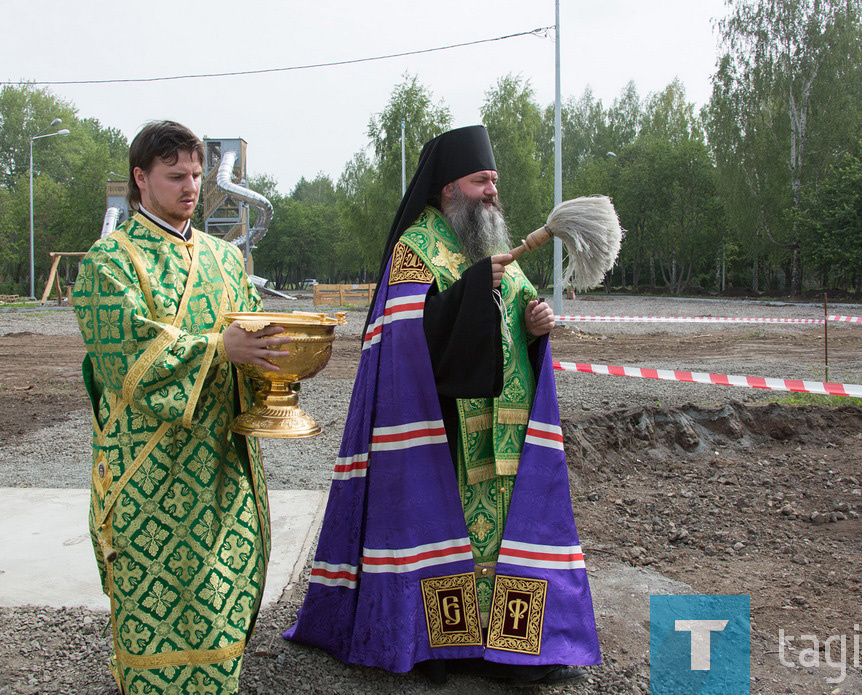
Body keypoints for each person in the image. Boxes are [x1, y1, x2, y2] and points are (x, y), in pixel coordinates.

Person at [285, 125, 600, 685]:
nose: (492, 192)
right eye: (482, 181)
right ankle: (441, 645)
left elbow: (519, 313)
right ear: (449, 188)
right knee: (444, 532)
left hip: (504, 427)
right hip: (442, 430)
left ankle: (515, 646)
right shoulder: (417, 248)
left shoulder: (489, 244)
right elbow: (406, 335)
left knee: (508, 533)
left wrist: (535, 326)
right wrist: (473, 290)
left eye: (495, 182)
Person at [72, 120, 291, 695]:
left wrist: (278, 366)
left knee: (221, 603)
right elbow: (126, 356)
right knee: (155, 617)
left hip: (221, 465)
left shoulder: (225, 260)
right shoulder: (108, 262)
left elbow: (250, 339)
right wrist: (220, 347)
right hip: (149, 473)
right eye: (175, 175)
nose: (191, 186)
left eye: (196, 174)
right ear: (141, 179)